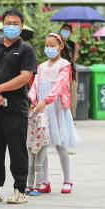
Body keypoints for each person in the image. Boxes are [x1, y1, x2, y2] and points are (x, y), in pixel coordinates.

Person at [0, 8, 38, 205]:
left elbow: (25, 77)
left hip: (15, 109)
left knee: (17, 150)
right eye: (8, 23)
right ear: (2, 25)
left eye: (15, 23)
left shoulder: (26, 49)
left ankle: (20, 189)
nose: (11, 26)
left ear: (21, 26)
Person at [29, 33, 77, 194]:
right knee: (42, 144)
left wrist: (46, 100)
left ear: (61, 46)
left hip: (55, 108)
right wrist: (32, 100)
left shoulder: (64, 65)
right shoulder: (42, 67)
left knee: (60, 144)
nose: (49, 48)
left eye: (52, 45)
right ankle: (44, 181)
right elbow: (35, 84)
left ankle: (68, 180)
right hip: (41, 109)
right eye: (47, 45)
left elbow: (59, 87)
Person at [60, 23, 79, 117]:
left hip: (71, 70)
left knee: (72, 93)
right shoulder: (57, 42)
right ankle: (61, 115)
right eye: (64, 29)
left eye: (67, 30)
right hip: (59, 70)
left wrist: (77, 50)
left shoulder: (73, 44)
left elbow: (74, 59)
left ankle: (71, 115)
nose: (65, 31)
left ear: (71, 32)